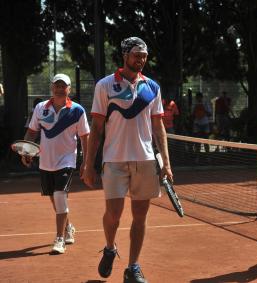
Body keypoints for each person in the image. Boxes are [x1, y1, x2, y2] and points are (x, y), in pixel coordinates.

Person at [82, 37, 172, 283]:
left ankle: (133, 267)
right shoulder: (105, 85)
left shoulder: (152, 87)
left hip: (145, 161)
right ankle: (110, 247)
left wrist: (166, 162)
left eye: (143, 55)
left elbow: (158, 126)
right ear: (124, 56)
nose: (140, 60)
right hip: (114, 160)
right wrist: (88, 164)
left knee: (140, 216)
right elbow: (97, 127)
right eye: (136, 55)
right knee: (114, 214)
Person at [19, 73, 89, 254]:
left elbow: (85, 137)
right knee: (55, 199)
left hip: (67, 160)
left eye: (63, 86)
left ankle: (59, 239)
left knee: (59, 195)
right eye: (56, 86)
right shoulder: (41, 108)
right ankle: (68, 226)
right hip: (46, 161)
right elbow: (32, 131)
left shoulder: (77, 110)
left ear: (69, 89)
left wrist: (86, 162)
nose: (59, 89)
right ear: (52, 88)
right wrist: (26, 151)